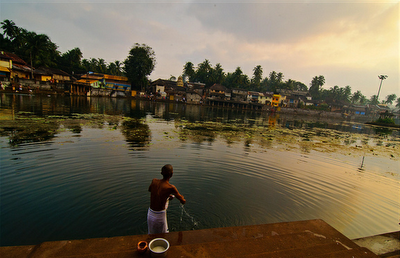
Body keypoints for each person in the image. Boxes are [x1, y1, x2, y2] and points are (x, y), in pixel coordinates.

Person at [147, 164, 186, 234]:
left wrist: (166, 196)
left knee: (151, 235)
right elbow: (183, 201)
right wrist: (182, 198)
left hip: (150, 213)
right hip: (160, 216)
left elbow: (150, 190)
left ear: (161, 173)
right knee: (164, 236)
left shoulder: (154, 181)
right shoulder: (171, 187)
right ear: (171, 174)